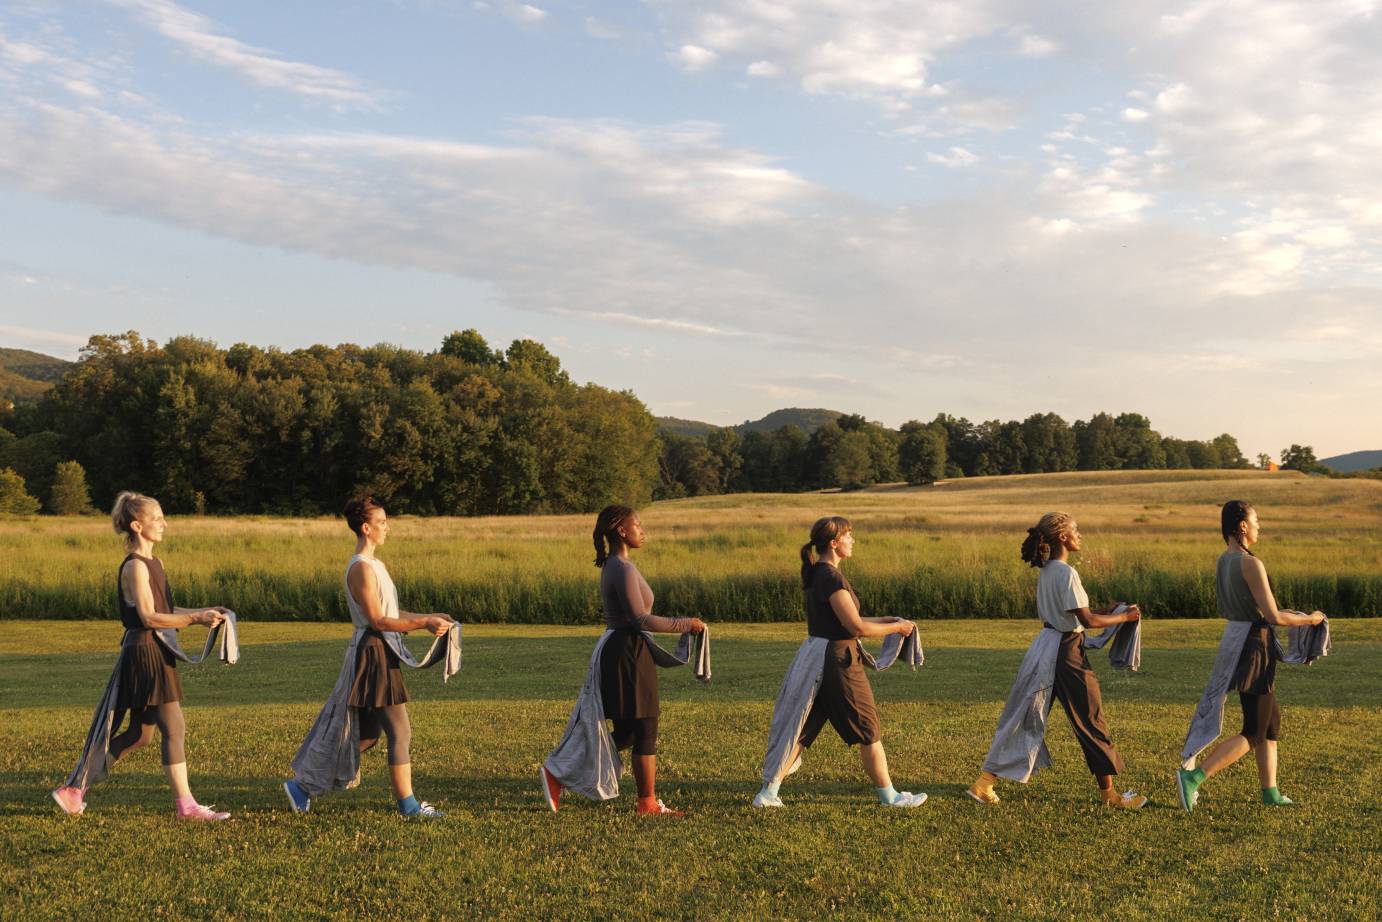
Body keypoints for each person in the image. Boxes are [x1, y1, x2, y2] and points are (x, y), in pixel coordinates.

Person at [51, 491, 233, 820]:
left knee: (139, 735)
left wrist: (205, 613)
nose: (163, 523)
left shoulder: (154, 563)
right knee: (174, 730)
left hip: (154, 650)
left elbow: (166, 610)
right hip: (146, 654)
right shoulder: (135, 567)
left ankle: (73, 790)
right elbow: (149, 617)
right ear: (137, 525)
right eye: (156, 519)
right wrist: (195, 619)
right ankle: (187, 807)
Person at [283, 496, 456, 819]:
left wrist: (428, 617)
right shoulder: (361, 568)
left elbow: (390, 613)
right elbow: (377, 620)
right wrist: (423, 623)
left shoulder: (375, 565)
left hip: (381, 651)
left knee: (365, 736)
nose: (387, 528)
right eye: (382, 522)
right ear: (366, 528)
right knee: (400, 732)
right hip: (373, 655)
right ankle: (409, 807)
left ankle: (301, 787)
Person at [967, 512, 1147, 809]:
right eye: (1076, 530)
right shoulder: (1066, 573)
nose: (1081, 535)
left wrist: (1110, 610)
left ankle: (984, 784)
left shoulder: (1048, 570)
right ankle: (1111, 796)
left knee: (1024, 716)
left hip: (1047, 647)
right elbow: (1086, 620)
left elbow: (1073, 615)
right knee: (1091, 719)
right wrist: (1125, 616)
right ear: (1063, 536)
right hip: (1066, 654)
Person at [541, 505, 706, 817]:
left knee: (630, 732)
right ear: (621, 531)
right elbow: (639, 618)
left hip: (628, 649)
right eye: (638, 525)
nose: (642, 531)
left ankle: (559, 772)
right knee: (645, 726)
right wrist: (685, 624)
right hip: (626, 652)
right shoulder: (622, 567)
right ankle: (647, 804)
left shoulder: (616, 565)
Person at [753, 515, 926, 809]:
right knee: (868, 727)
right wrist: (896, 628)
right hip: (836, 662)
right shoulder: (830, 577)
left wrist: (887, 621)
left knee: (803, 725)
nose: (853, 540)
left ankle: (768, 794)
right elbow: (855, 628)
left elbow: (847, 622)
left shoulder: (819, 574)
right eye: (849, 536)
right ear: (834, 543)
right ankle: (891, 797)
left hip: (820, 657)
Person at [1175, 500, 1325, 811]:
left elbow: (1244, 609)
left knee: (1270, 723)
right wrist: (1310, 619)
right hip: (1255, 647)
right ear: (1242, 526)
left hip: (1238, 641)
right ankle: (1194, 777)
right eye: (1256, 521)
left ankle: (1270, 792)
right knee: (1254, 730)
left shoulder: (1223, 560)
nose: (1259, 527)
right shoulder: (1250, 563)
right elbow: (1273, 616)